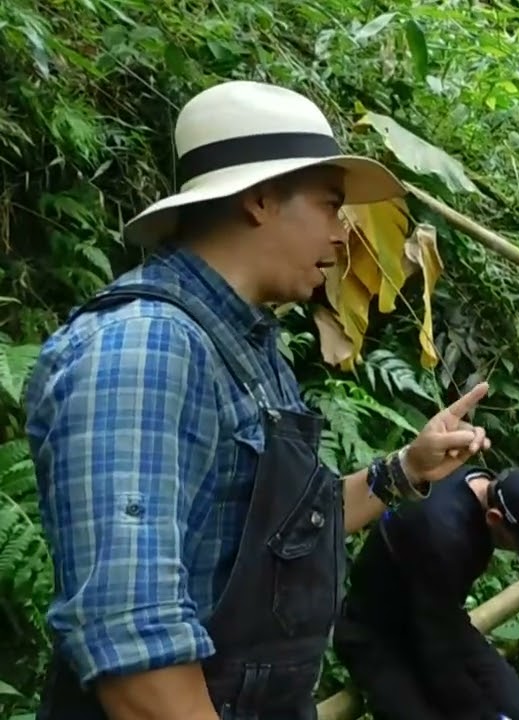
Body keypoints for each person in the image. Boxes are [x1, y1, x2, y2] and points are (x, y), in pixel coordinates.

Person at [25, 80, 493, 720]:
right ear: (260, 198)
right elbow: (136, 653)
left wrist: (405, 470)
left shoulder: (244, 343)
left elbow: (288, 534)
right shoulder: (145, 349)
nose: (344, 236)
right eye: (331, 206)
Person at [334, 464, 519, 720]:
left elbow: (440, 628)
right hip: (375, 636)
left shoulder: (478, 481)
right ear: (494, 518)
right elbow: (436, 652)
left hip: (438, 618)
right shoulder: (441, 535)